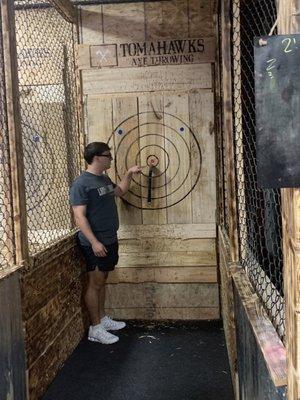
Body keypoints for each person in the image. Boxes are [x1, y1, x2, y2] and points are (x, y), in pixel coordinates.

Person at [69, 142, 141, 344]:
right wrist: (94, 242)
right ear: (97, 157)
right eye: (108, 155)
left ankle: (101, 319)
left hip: (109, 239)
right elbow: (79, 217)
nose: (111, 158)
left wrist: (128, 174)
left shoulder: (103, 179)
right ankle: (95, 328)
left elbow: (119, 192)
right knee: (95, 283)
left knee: (102, 281)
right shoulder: (81, 184)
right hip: (96, 243)